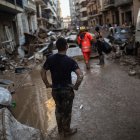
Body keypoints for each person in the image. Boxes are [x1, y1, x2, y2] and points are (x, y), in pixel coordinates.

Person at [41, 37, 83, 137]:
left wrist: (47, 84)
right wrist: (76, 86)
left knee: (58, 110)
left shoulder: (50, 59)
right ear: (67, 46)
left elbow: (42, 72)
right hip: (67, 90)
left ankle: (60, 130)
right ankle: (67, 131)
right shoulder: (70, 61)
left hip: (55, 90)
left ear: (57, 47)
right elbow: (80, 76)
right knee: (67, 112)